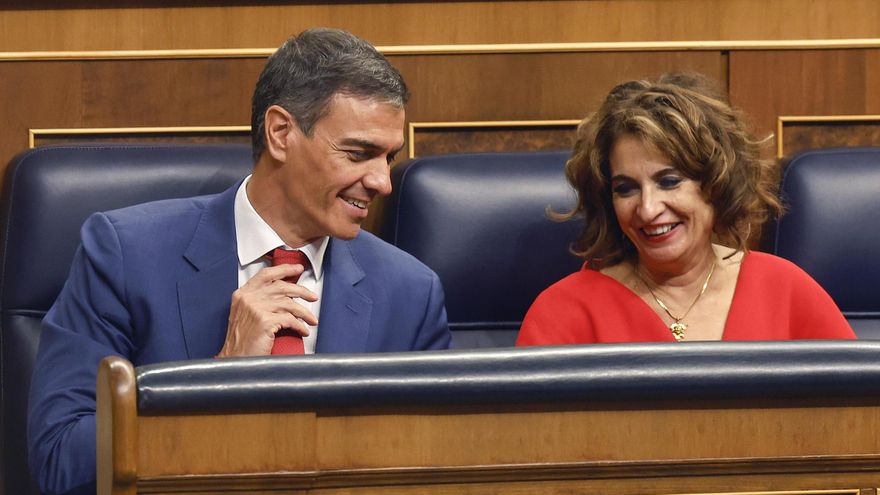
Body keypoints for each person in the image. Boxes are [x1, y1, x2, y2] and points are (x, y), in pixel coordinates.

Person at [28, 28, 452, 495]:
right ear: (280, 133)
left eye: (389, 157)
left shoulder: (411, 292)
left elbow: (435, 470)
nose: (382, 182)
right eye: (359, 153)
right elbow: (60, 461)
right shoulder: (125, 255)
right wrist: (218, 379)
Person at [517, 73, 855, 345]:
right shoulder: (562, 314)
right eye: (626, 189)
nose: (648, 210)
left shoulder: (786, 291)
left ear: (715, 182)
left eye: (669, 182)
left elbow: (858, 415)